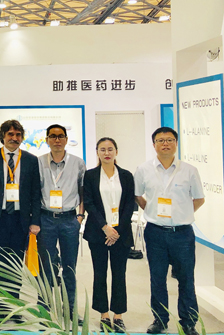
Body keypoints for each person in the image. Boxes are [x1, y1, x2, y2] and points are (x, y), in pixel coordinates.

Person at [134, 127, 204, 335]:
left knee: (186, 279)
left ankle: (188, 322)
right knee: (157, 278)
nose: (165, 143)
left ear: (176, 143)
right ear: (154, 144)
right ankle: (160, 319)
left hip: (182, 233)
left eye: (170, 140)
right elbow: (137, 195)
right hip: (155, 232)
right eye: (161, 140)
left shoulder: (189, 170)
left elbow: (199, 199)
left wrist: (181, 214)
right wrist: (152, 211)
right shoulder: (143, 169)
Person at [0, 120, 41, 319]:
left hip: (21, 219)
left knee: (15, 264)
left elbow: (36, 193)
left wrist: (35, 220)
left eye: (18, 134)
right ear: (2, 136)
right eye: (10, 134)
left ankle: (14, 308)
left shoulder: (30, 159)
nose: (14, 138)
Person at [83, 138, 135, 333]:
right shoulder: (90, 175)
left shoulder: (126, 175)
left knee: (119, 274)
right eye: (102, 149)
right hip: (98, 232)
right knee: (100, 273)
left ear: (116, 152)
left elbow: (130, 205)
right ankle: (103, 313)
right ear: (97, 152)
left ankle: (118, 315)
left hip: (121, 234)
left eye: (110, 149)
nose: (107, 153)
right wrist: (105, 227)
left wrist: (117, 230)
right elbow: (89, 203)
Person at [37, 124, 86, 321]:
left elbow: (83, 192)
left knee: (69, 267)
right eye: (53, 136)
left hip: (69, 220)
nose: (57, 140)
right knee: (46, 267)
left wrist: (80, 216)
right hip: (46, 219)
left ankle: (70, 309)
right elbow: (34, 193)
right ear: (47, 140)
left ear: (66, 139)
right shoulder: (39, 162)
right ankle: (44, 309)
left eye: (60, 136)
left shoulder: (78, 163)